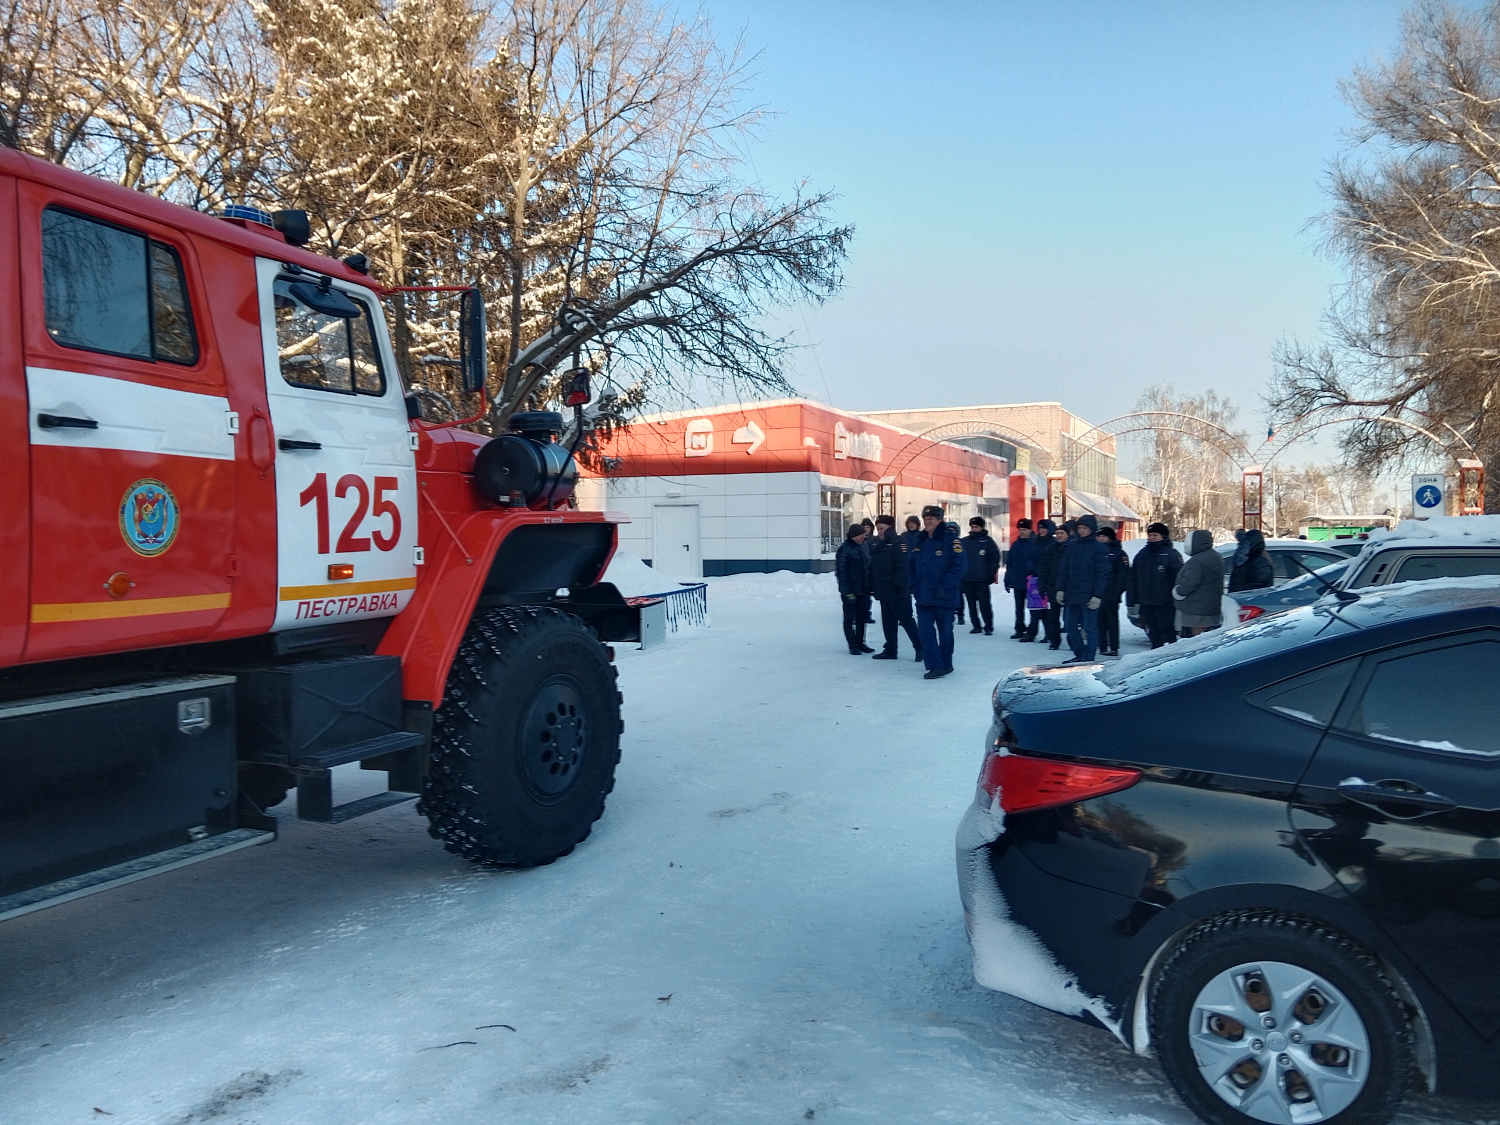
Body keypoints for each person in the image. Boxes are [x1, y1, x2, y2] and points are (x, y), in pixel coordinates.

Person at [909, 505, 965, 679]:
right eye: (925, 519)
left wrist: (945, 585)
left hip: (944, 595)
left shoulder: (952, 540)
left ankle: (946, 662)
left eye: (932, 518)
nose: (928, 521)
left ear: (940, 520)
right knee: (925, 631)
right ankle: (935, 665)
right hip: (924, 594)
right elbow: (911, 565)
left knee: (945, 631)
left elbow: (960, 566)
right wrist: (914, 585)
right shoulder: (920, 540)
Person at [1055, 513, 1110, 663]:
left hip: (1090, 594)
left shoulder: (1099, 548)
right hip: (1072, 593)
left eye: (1085, 528)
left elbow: (1102, 574)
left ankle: (1088, 656)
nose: (1082, 531)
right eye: (1079, 528)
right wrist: (1060, 589)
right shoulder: (1071, 545)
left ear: (1092, 529)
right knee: (1070, 627)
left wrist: (1097, 595)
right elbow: (1064, 569)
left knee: (1090, 627)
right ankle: (1079, 653)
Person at [869, 514, 922, 662]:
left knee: (906, 620)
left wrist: (899, 586)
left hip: (898, 590)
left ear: (890, 528)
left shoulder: (899, 542)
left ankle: (920, 648)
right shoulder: (877, 543)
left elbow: (903, 566)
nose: (879, 531)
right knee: (888, 621)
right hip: (883, 589)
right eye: (878, 528)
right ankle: (890, 649)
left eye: (882, 528)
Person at [1126, 522, 1183, 649]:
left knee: (1168, 633)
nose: (1152, 537)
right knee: (1153, 633)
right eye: (1150, 535)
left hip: (1165, 603)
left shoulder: (1171, 555)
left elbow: (1178, 579)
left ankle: (1171, 659)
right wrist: (1132, 599)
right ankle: (1155, 656)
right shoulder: (1142, 555)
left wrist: (1176, 598)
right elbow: (1133, 578)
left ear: (1163, 536)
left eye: (1155, 535)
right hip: (1146, 602)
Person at [1173, 529, 1223, 636]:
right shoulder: (1215, 556)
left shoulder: (1197, 561)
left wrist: (1177, 592)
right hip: (1211, 607)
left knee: (1197, 640)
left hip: (1196, 611)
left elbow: (1189, 583)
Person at [835, 523, 874, 654]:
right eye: (862, 534)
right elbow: (841, 573)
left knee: (862, 617)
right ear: (855, 535)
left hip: (864, 589)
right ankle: (852, 645)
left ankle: (860, 642)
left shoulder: (864, 546)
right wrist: (847, 593)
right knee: (849, 618)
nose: (865, 536)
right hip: (851, 591)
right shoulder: (844, 549)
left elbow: (869, 566)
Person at [960, 516, 1000, 635]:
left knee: (984, 604)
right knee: (971, 604)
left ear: (981, 527)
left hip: (982, 579)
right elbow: (959, 558)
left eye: (976, 527)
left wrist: (990, 573)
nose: (974, 529)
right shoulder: (965, 541)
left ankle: (988, 626)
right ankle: (976, 625)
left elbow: (994, 558)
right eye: (972, 527)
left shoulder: (988, 541)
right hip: (968, 578)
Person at [1095, 525, 1129, 656]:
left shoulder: (1118, 553)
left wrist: (1117, 592)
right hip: (1098, 593)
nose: (1100, 539)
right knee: (1100, 620)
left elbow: (1123, 575)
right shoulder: (1095, 551)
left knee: (1112, 621)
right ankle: (1102, 645)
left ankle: (1114, 647)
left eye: (1103, 536)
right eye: (1099, 536)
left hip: (1111, 593)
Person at [1003, 518, 1039, 639]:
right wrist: (1007, 579)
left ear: (1030, 530)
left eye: (1025, 529)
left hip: (1031, 581)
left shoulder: (1035, 544)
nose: (1022, 532)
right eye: (1021, 529)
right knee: (1019, 608)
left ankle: (1032, 632)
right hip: (1018, 580)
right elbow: (1010, 563)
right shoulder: (1016, 545)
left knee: (1033, 608)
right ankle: (1019, 628)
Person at [1035, 519, 1068, 650]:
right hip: (1053, 587)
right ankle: (1054, 641)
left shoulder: (1072, 548)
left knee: (1070, 619)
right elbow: (1043, 569)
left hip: (1069, 588)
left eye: (1062, 533)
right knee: (1053, 617)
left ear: (1067, 534)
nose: (1059, 535)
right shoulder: (1050, 549)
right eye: (1057, 533)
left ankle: (1073, 641)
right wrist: (1042, 586)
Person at [1227, 528, 1274, 592]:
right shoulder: (1251, 556)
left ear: (1252, 542)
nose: (1246, 544)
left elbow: (1260, 584)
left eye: (1247, 541)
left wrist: (1241, 592)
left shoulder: (1260, 558)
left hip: (1249, 598)